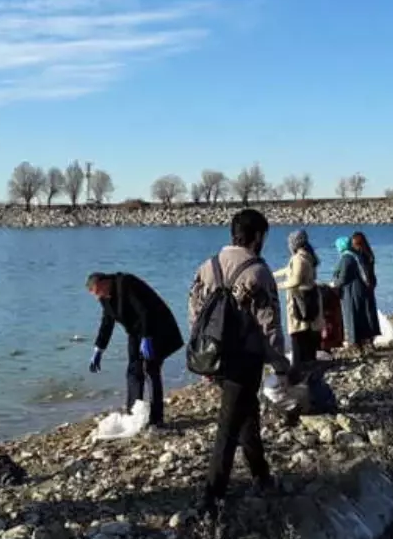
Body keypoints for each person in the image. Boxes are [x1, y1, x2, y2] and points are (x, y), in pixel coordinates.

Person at [188, 209, 289, 517]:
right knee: (228, 426)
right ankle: (211, 496)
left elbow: (195, 311)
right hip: (245, 359)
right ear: (257, 236)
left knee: (247, 414)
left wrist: (205, 353)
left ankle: (261, 475)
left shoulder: (208, 266)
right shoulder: (257, 271)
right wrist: (280, 364)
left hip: (216, 356)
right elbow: (268, 323)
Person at [86, 272, 183, 429]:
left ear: (105, 282)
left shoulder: (126, 283)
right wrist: (99, 349)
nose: (98, 297)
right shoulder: (105, 297)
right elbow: (107, 322)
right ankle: (133, 414)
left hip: (157, 328)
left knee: (151, 369)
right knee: (133, 370)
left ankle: (156, 419)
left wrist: (147, 337)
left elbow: (145, 311)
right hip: (135, 332)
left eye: (98, 292)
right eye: (95, 295)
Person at [273, 231, 323, 369]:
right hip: (309, 297)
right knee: (307, 330)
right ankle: (309, 361)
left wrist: (277, 286)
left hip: (299, 300)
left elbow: (295, 280)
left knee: (297, 331)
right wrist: (272, 274)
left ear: (294, 244)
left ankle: (299, 365)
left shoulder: (298, 258)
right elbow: (288, 270)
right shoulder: (308, 256)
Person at [332, 236, 376, 348]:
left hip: (351, 291)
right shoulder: (355, 255)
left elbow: (343, 278)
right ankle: (364, 340)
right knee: (360, 316)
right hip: (358, 289)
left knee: (352, 316)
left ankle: (355, 342)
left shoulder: (346, 258)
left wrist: (333, 284)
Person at [349, 233, 382, 339]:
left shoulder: (359, 255)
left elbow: (364, 271)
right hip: (370, 284)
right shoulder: (369, 253)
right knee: (370, 311)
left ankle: (366, 337)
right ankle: (371, 335)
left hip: (363, 285)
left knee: (363, 312)